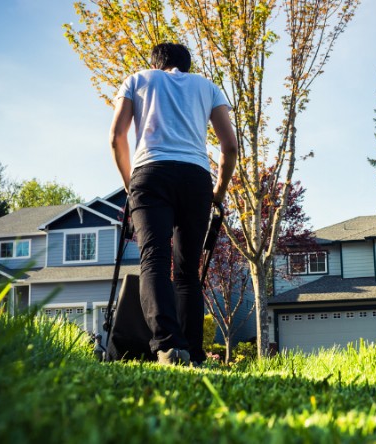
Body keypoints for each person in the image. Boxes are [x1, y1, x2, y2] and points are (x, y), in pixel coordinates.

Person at [109, 43, 238, 366]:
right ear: (187, 65)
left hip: (150, 174)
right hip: (196, 178)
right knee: (187, 272)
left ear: (155, 63)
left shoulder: (138, 80)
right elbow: (230, 146)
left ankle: (168, 347)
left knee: (154, 258)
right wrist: (218, 194)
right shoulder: (207, 87)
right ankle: (193, 353)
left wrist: (130, 184)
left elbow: (116, 137)